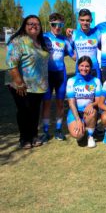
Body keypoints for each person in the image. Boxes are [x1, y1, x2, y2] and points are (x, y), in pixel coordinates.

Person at [5, 15, 50, 149]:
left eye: (37, 24)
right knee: (24, 111)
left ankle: (34, 136)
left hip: (38, 85)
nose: (33, 26)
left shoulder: (41, 42)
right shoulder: (19, 41)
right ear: (24, 26)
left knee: (34, 111)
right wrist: (19, 82)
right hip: (21, 85)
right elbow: (11, 64)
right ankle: (24, 138)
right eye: (30, 23)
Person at [41, 13, 74, 142]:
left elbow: (74, 56)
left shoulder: (65, 39)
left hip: (61, 74)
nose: (57, 27)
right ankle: (45, 132)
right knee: (46, 103)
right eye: (54, 24)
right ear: (50, 24)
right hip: (47, 74)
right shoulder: (43, 37)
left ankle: (59, 130)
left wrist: (73, 39)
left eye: (60, 25)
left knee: (60, 104)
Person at [66, 56, 102, 148]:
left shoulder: (96, 81)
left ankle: (90, 136)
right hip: (75, 112)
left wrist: (92, 104)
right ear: (78, 66)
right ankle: (81, 132)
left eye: (87, 66)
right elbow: (71, 103)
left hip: (88, 111)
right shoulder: (71, 81)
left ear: (90, 68)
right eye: (82, 66)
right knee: (78, 135)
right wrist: (78, 120)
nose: (84, 68)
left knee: (92, 111)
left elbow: (98, 101)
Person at [70, 9, 102, 79]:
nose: (85, 22)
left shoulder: (97, 32)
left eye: (87, 20)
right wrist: (72, 55)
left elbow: (101, 47)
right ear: (78, 20)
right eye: (82, 20)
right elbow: (68, 48)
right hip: (80, 68)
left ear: (91, 20)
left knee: (96, 89)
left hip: (94, 68)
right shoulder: (74, 33)